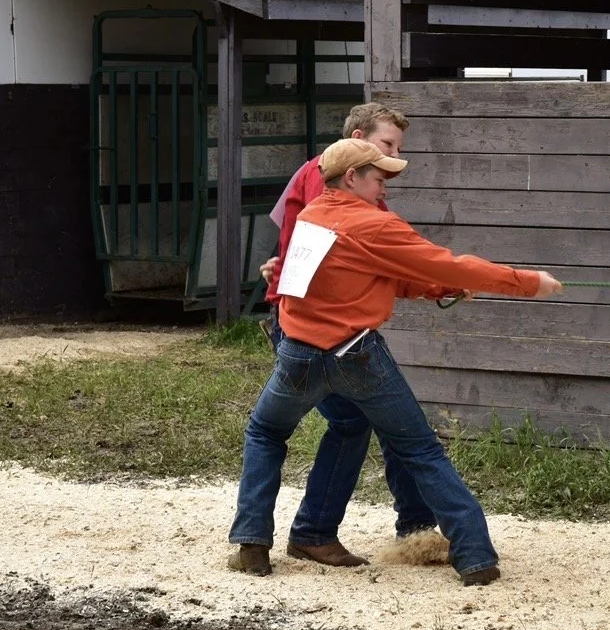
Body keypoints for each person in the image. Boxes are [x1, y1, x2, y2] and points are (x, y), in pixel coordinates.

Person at [228, 138, 563, 585]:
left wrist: (433, 290)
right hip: (358, 356)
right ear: (352, 178)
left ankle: (253, 545)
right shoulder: (375, 225)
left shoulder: (310, 218)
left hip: (297, 355)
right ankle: (476, 557)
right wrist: (525, 283)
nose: (385, 189)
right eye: (379, 179)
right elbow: (449, 265)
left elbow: (364, 278)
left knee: (266, 433)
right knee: (420, 449)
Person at [251, 103, 436, 571]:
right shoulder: (335, 181)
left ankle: (270, 538)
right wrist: (442, 279)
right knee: (369, 424)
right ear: (358, 138)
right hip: (323, 330)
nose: (394, 157)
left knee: (365, 424)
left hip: (312, 324)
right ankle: (324, 531)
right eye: (387, 144)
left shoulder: (348, 182)